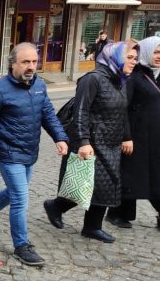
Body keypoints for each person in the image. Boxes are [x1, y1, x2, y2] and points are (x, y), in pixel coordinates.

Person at [0, 42, 68, 266]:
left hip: (29, 151)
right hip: (7, 152)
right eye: (25, 62)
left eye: (34, 62)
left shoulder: (39, 86)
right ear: (12, 64)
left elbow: (48, 115)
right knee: (20, 197)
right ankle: (22, 245)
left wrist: (60, 137)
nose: (31, 66)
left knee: (15, 191)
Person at [44, 42, 138, 243]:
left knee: (105, 185)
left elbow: (123, 112)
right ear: (116, 57)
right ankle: (56, 206)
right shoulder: (93, 79)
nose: (133, 62)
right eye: (129, 57)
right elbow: (81, 112)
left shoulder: (121, 80)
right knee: (87, 183)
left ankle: (91, 227)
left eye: (135, 58)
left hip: (111, 142)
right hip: (92, 142)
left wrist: (126, 137)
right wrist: (84, 141)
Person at [105, 37, 160, 230]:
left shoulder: (156, 74)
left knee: (154, 175)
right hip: (136, 136)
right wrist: (126, 136)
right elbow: (123, 108)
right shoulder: (134, 76)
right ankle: (116, 213)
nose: (158, 56)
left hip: (154, 137)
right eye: (155, 52)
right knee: (131, 176)